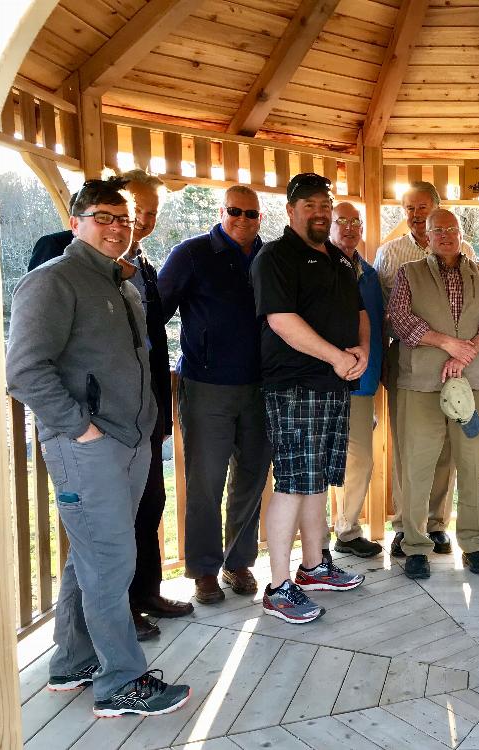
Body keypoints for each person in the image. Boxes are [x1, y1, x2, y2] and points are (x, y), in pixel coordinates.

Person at [7, 177, 191, 717]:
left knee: (89, 557)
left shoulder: (123, 283)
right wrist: (79, 428)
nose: (115, 228)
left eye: (123, 219)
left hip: (129, 443)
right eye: (103, 217)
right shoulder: (53, 282)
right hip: (87, 447)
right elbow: (23, 371)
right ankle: (120, 683)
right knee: (112, 561)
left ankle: (71, 662)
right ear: (76, 222)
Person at [251, 172, 367, 624]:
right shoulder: (274, 257)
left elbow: (359, 312)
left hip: (334, 385)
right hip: (294, 386)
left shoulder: (339, 258)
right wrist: (337, 357)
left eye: (325, 204)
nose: (319, 212)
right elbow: (280, 320)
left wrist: (361, 351)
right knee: (293, 483)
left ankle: (314, 567)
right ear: (291, 209)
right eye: (309, 205)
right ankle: (279, 587)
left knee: (316, 478)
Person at [158, 185, 272, 605]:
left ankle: (237, 561)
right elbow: (157, 313)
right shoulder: (191, 254)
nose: (244, 219)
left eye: (252, 213)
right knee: (205, 481)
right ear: (221, 211)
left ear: (261, 217)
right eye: (236, 211)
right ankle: (204, 569)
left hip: (261, 387)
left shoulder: (270, 257)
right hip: (206, 386)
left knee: (252, 477)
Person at [386, 208, 479, 579]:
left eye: (451, 229)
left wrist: (468, 349)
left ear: (461, 233)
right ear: (424, 234)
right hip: (421, 384)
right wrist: (448, 344)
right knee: (417, 466)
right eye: (436, 229)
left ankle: (474, 545)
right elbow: (401, 318)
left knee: (472, 467)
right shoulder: (409, 274)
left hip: (477, 386)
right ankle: (416, 545)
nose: (445, 235)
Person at [374, 181, 474, 558]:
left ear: (437, 207)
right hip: (407, 362)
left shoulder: (463, 250)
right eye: (409, 208)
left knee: (447, 442)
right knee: (408, 445)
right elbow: (387, 316)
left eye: (422, 207)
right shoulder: (390, 253)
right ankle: (405, 524)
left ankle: (436, 524)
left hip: (453, 363)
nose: (415, 215)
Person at [118, 169, 194, 638]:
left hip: (146, 410)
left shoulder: (145, 265)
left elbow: (154, 339)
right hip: (102, 419)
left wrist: (163, 412)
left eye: (151, 213)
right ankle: (117, 610)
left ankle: (145, 592)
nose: (143, 221)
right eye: (136, 211)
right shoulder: (63, 254)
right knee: (115, 515)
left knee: (150, 502)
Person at [325, 201, 385, 558]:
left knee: (359, 458)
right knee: (335, 458)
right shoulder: (318, 266)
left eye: (355, 222)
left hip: (363, 382)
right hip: (325, 379)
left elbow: (377, 328)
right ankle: (337, 532)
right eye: (341, 221)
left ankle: (345, 530)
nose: (349, 227)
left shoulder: (370, 274)